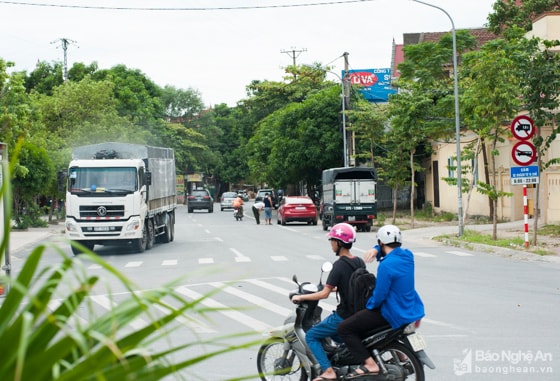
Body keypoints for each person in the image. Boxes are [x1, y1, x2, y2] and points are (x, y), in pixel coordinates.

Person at [337, 224, 425, 379]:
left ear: (381, 242)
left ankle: (369, 364)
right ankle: (399, 355)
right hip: (411, 309)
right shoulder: (408, 256)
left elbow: (379, 296)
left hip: (393, 313)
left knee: (345, 328)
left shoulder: (386, 266)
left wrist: (368, 306)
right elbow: (387, 250)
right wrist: (376, 249)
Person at [291, 223, 365, 381]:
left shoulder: (338, 265)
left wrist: (301, 297)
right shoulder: (359, 261)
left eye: (332, 240)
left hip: (344, 315)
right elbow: (351, 284)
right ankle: (346, 361)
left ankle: (328, 371)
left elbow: (323, 295)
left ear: (339, 242)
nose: (330, 243)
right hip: (359, 313)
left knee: (312, 336)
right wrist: (333, 288)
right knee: (337, 336)